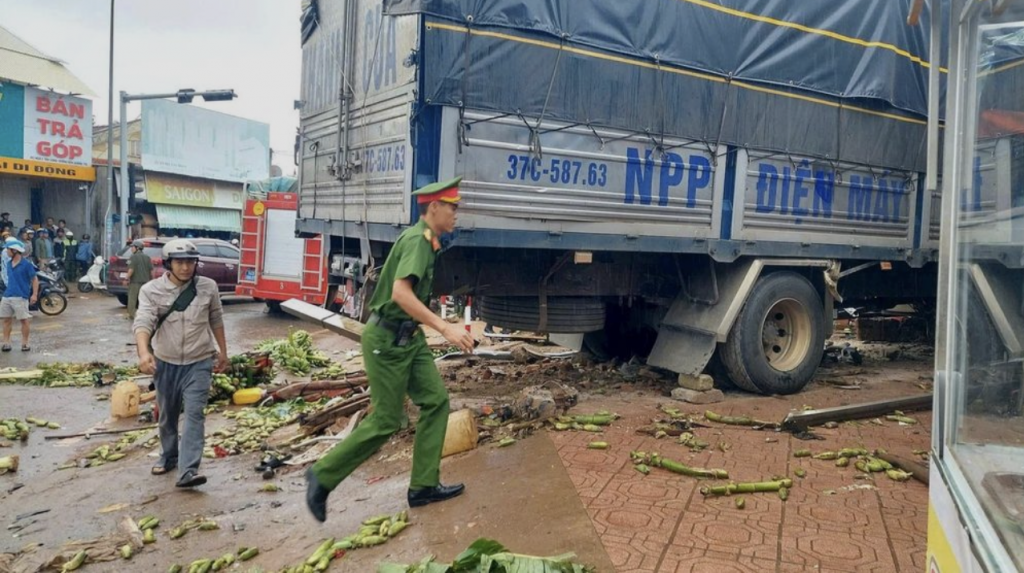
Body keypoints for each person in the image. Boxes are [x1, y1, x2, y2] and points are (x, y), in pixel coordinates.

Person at [305, 177, 474, 522]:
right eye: (452, 207)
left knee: (436, 401)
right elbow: (400, 294)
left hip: (409, 339)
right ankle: (322, 475)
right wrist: (445, 328)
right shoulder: (417, 241)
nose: (456, 213)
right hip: (387, 340)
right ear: (434, 208)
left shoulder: (428, 242)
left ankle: (423, 486)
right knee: (386, 420)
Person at [133, 239, 228, 488]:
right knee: (168, 415)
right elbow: (143, 322)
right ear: (168, 264)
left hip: (199, 362)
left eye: (190, 262)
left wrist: (223, 352)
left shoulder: (208, 287)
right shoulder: (151, 290)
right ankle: (169, 456)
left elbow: (216, 318)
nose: (185, 267)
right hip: (165, 363)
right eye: (179, 262)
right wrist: (143, 353)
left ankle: (188, 470)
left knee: (195, 414)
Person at [0, 240, 39, 352]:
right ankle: (6, 343)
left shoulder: (26, 264)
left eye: (8, 249)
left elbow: (34, 279)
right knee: (6, 320)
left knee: (24, 320)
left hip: (21, 296)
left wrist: (34, 295)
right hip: (7, 295)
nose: (6, 252)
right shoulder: (8, 264)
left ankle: (25, 343)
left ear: (14, 251)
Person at [127, 239, 153, 319]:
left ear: (137, 248)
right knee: (144, 300)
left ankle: (131, 315)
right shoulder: (147, 257)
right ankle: (144, 315)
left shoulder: (133, 257)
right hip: (146, 283)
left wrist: (126, 278)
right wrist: (151, 281)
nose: (131, 249)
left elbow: (131, 270)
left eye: (133, 247)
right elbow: (151, 271)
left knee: (132, 299)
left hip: (135, 282)